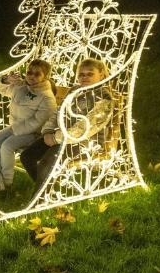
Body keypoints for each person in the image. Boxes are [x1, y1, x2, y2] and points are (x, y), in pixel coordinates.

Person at [20, 58, 113, 189]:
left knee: (47, 162)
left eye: (90, 74)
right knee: (27, 156)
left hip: (85, 141)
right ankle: (46, 188)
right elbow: (58, 112)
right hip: (61, 136)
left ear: (101, 74)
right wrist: (48, 131)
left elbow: (87, 127)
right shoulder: (75, 90)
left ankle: (39, 199)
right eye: (81, 74)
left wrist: (56, 138)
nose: (84, 77)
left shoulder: (104, 97)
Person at [0, 59, 57, 193]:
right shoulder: (21, 86)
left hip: (34, 134)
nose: (32, 76)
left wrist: (14, 130)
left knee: (6, 146)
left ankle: (5, 183)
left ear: (45, 77)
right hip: (16, 128)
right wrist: (6, 80)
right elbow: (0, 89)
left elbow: (38, 122)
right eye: (29, 72)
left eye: (37, 74)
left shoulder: (47, 97)